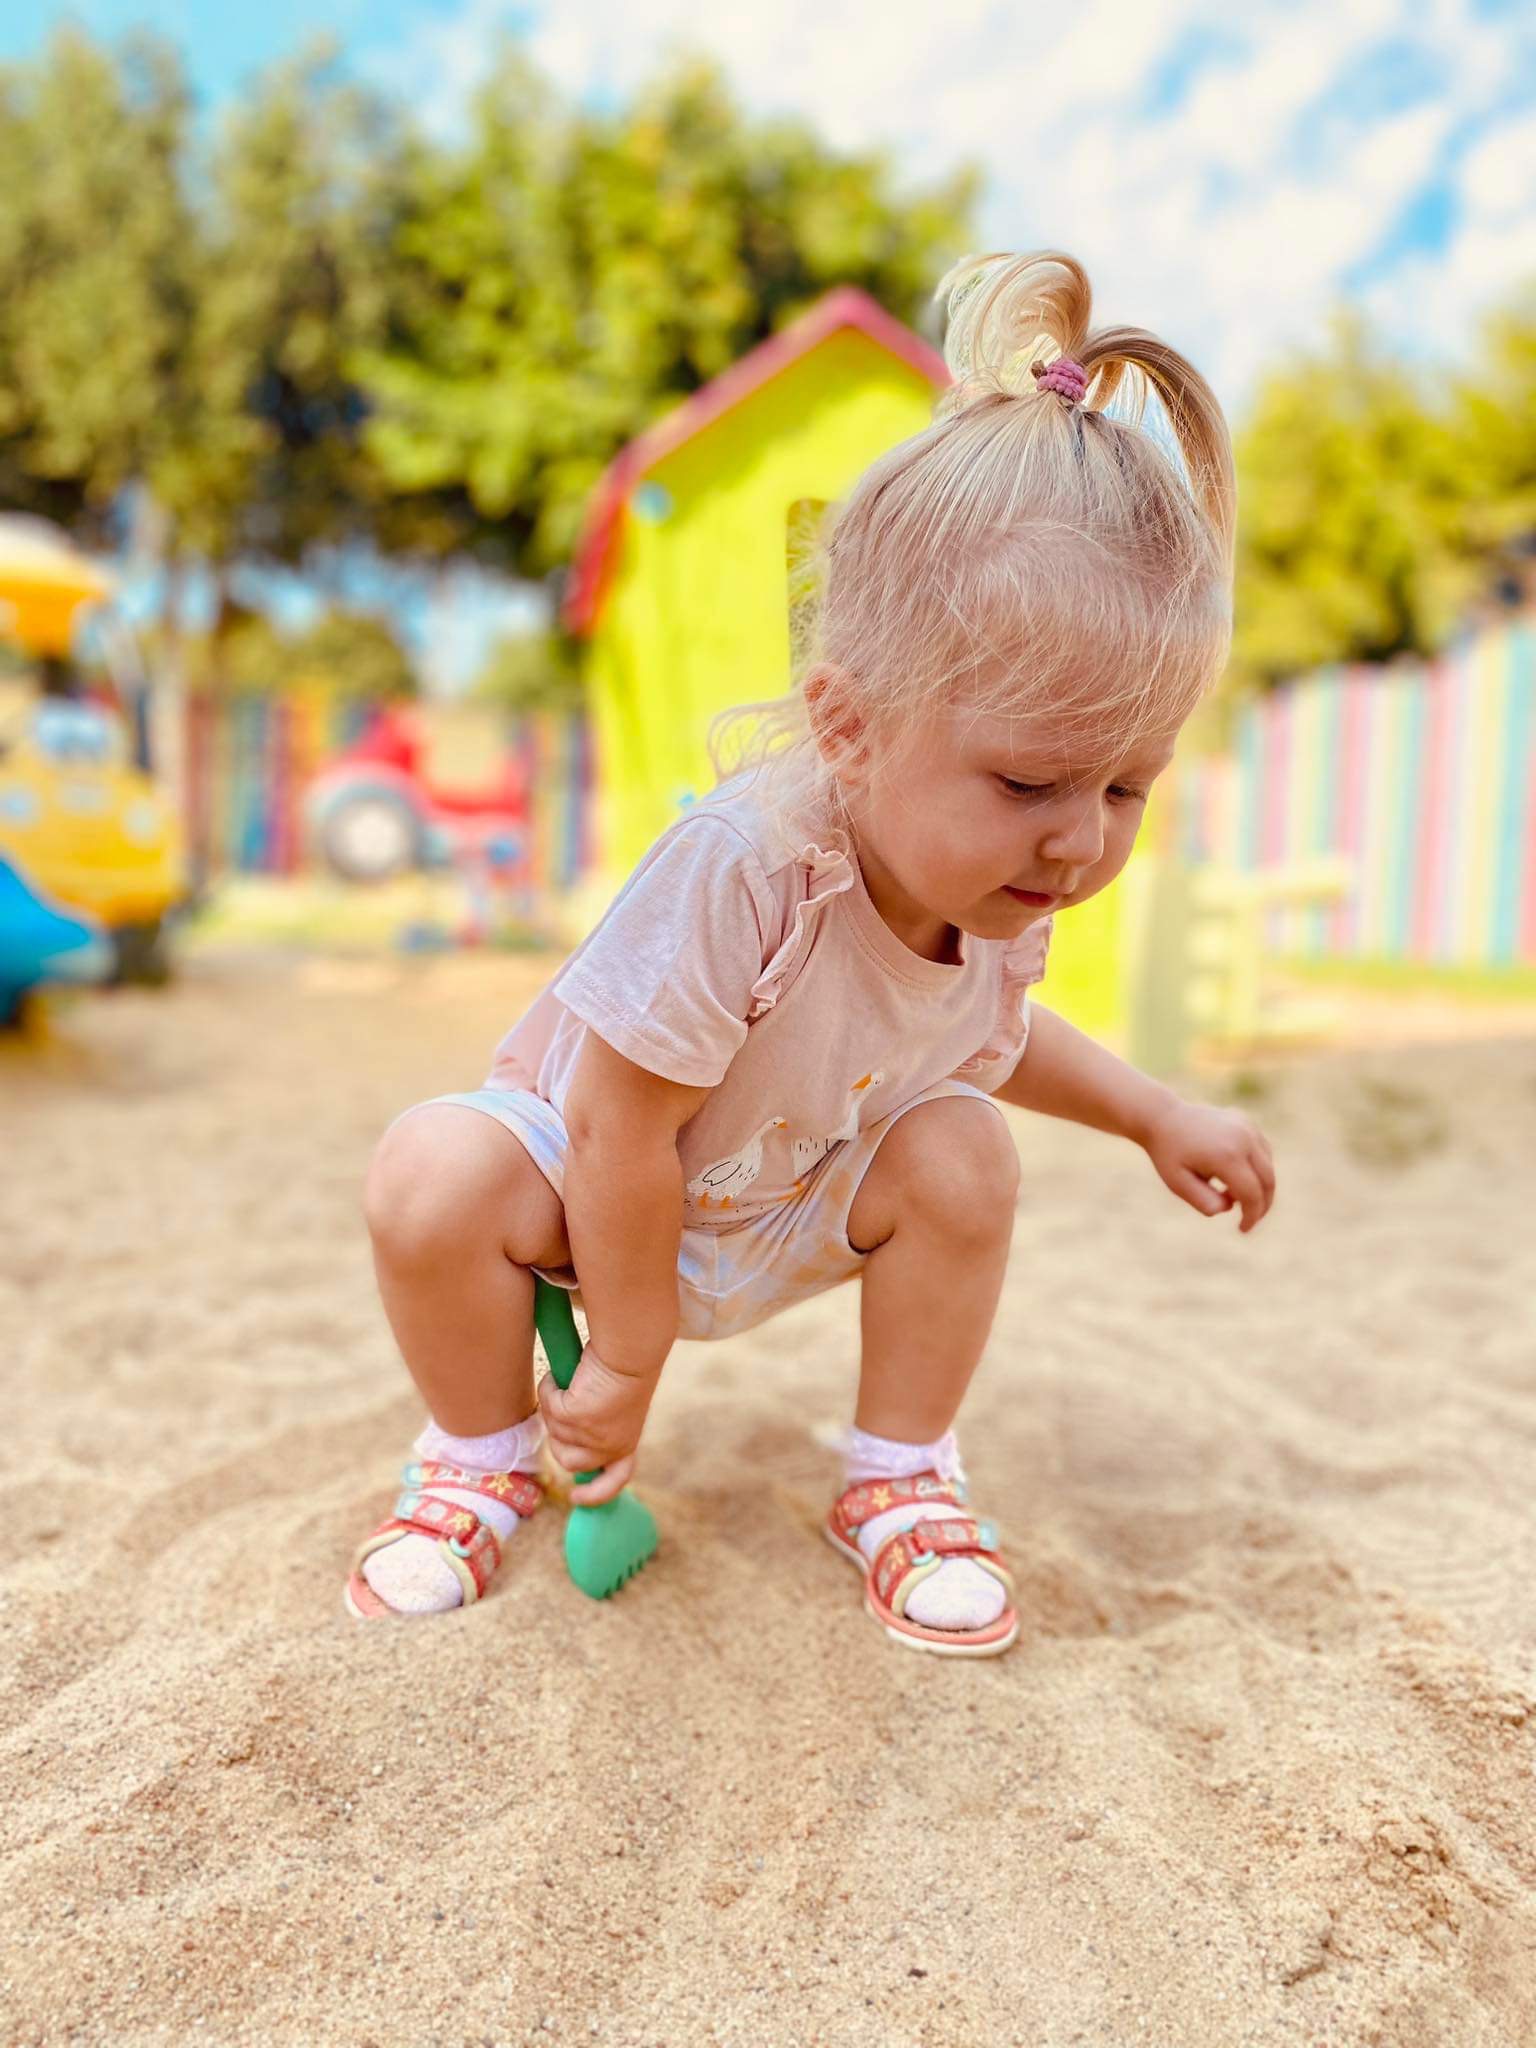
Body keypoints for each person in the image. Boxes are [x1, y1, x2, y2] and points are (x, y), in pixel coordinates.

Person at [344, 250, 1276, 1656]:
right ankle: (476, 1460)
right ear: (848, 728)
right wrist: (625, 1358)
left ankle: (899, 1479)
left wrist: (1156, 1112)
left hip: (775, 1194)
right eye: (1030, 785)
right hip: (596, 1186)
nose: (1081, 841)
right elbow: (611, 1122)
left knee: (964, 1149)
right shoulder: (749, 867)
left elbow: (994, 1041)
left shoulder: (995, 901)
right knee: (429, 1173)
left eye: (1125, 788)